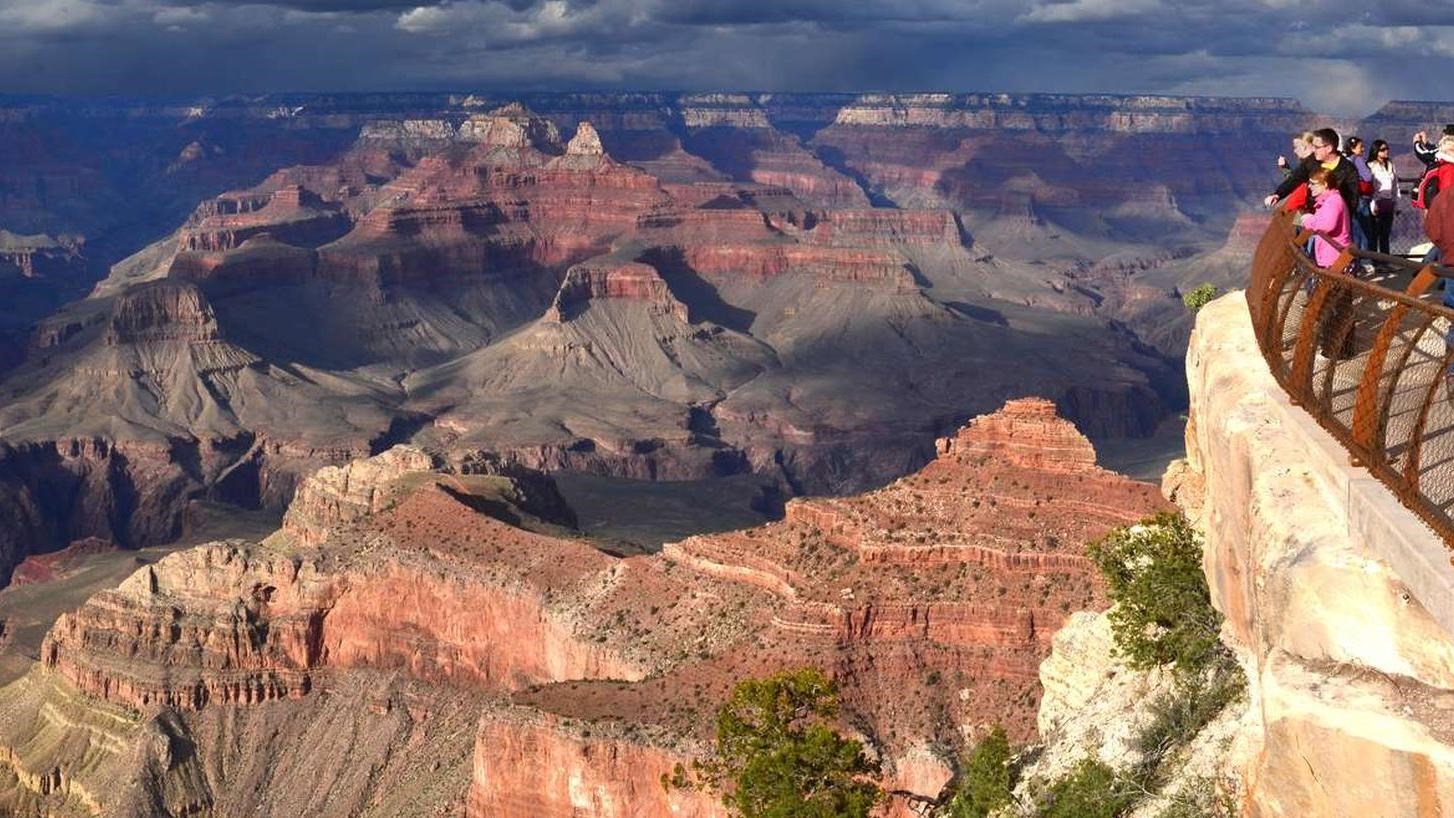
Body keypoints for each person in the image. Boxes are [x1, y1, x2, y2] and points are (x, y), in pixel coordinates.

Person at [1266, 128, 1358, 216]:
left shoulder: (1348, 169)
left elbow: (1352, 200)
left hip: (1335, 218)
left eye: (1317, 147)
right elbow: (1294, 179)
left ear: (1329, 148)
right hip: (1312, 215)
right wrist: (1278, 194)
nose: (1313, 150)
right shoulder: (1311, 162)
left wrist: (1341, 220)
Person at [1301, 166, 1351, 268]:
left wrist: (1309, 221)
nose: (1309, 186)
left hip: (1334, 258)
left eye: (1313, 184)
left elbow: (1327, 226)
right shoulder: (1326, 201)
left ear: (1325, 184)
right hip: (1329, 255)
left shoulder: (1333, 201)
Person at [1368, 139, 1398, 254]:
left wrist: (1396, 203)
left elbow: (1395, 186)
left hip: (1389, 202)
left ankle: (1385, 260)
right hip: (1377, 202)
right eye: (1382, 150)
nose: (1386, 152)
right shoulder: (1371, 166)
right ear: (1376, 151)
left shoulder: (1390, 165)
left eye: (1387, 149)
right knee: (1374, 234)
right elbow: (1372, 187)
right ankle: (1375, 260)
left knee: (1385, 234)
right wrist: (1373, 204)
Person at [1344, 136, 1374, 250]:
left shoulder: (1347, 160)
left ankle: (1355, 258)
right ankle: (1365, 259)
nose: (1363, 149)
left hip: (1351, 197)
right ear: (1353, 148)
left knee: (1355, 229)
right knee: (1365, 230)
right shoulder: (1358, 159)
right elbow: (1367, 177)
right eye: (1360, 147)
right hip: (1362, 197)